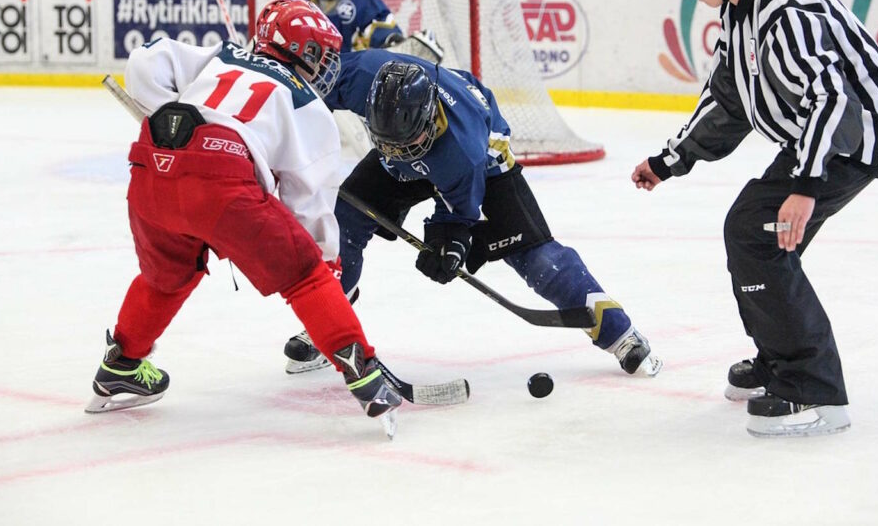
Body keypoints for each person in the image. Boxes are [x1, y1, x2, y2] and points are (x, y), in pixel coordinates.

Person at [632, 0, 878, 437]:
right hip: (820, 136)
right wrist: (670, 160)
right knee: (763, 236)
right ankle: (781, 361)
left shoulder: (784, 8)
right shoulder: (739, 15)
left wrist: (804, 188)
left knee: (758, 233)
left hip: (852, 138)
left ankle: (815, 392)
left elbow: (830, 97)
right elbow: (728, 103)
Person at [85, 0, 402, 435]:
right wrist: (325, 264)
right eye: (323, 54)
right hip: (223, 185)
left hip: (152, 164)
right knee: (307, 275)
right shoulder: (308, 104)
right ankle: (366, 377)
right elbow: (309, 202)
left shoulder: (222, 55)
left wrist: (170, 115)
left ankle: (120, 365)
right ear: (306, 52)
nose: (327, 64)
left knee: (166, 278)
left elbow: (145, 60)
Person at [283, 48, 663, 379]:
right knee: (342, 220)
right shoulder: (364, 75)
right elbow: (299, 91)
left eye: (409, 142)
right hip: (409, 149)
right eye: (388, 142)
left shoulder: (462, 154)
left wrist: (447, 246)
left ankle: (619, 333)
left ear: (430, 118)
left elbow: (457, 215)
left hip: (484, 163)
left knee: (534, 254)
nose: (401, 151)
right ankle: (331, 324)